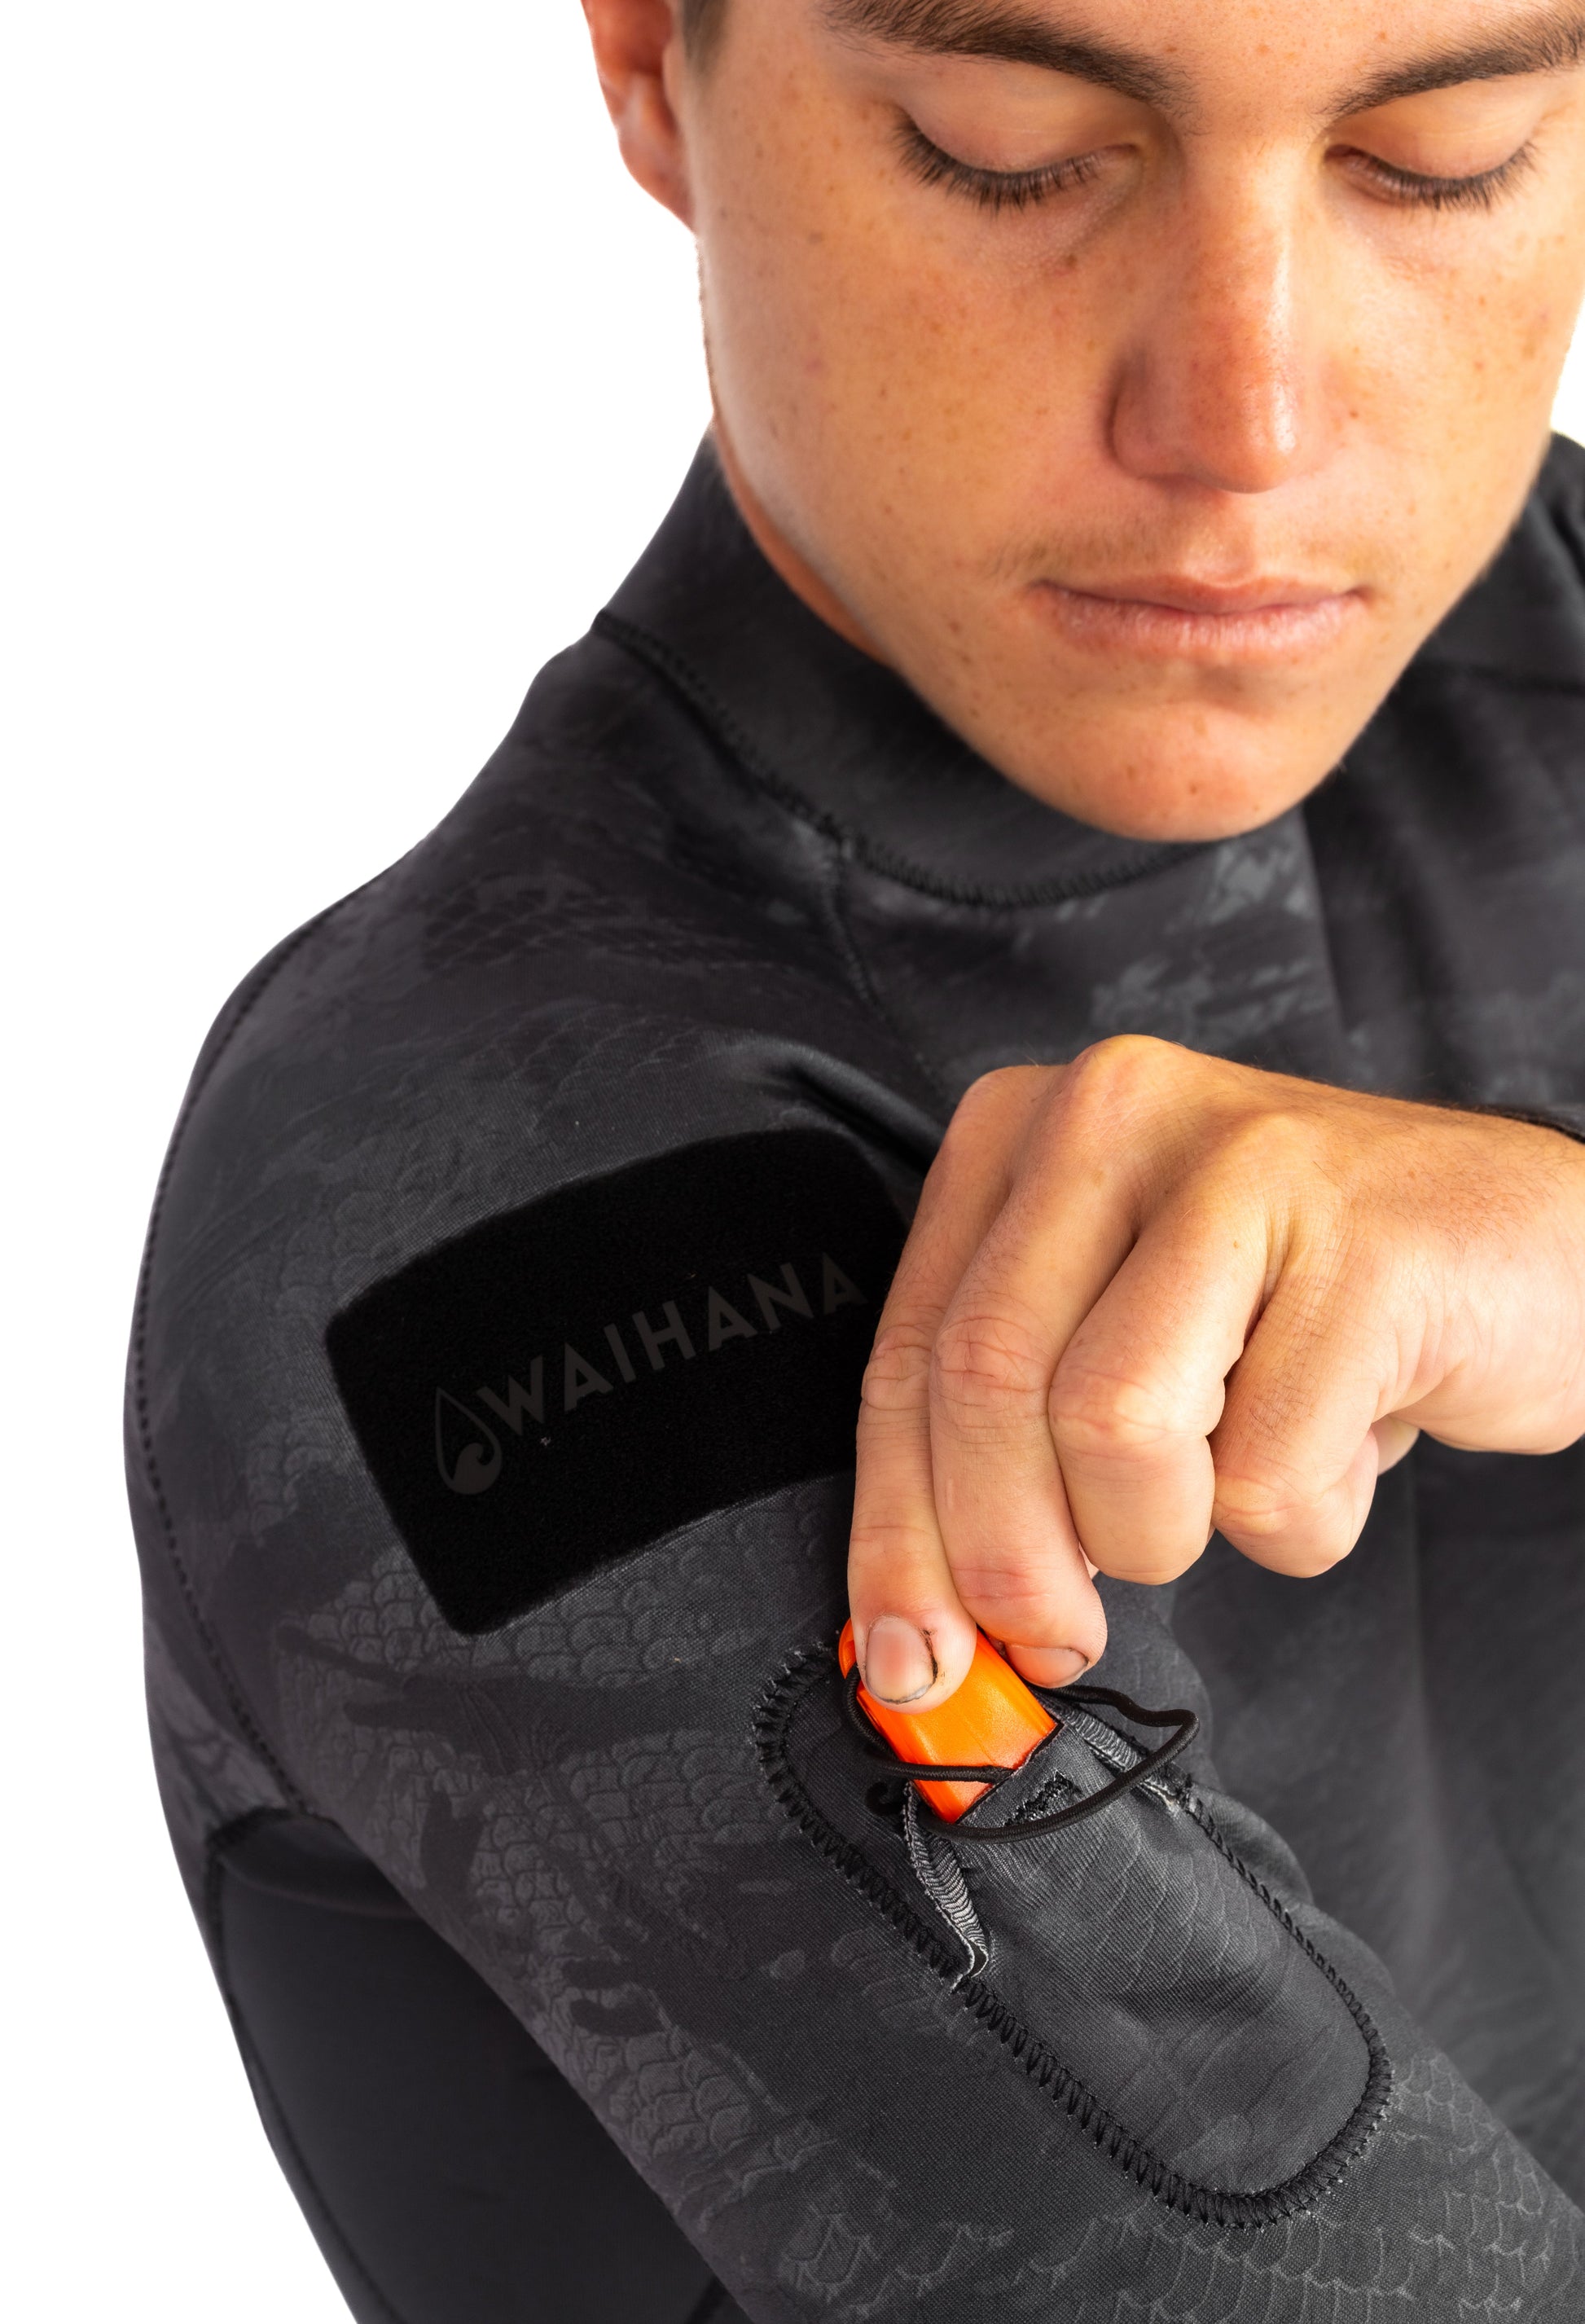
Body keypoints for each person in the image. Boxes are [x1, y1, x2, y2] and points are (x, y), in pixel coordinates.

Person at [126, 0, 1585, 2314]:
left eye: (1441, 156)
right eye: (1007, 150)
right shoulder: (497, 1210)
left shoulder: (1549, 641)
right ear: (648, 55)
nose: (1247, 420)